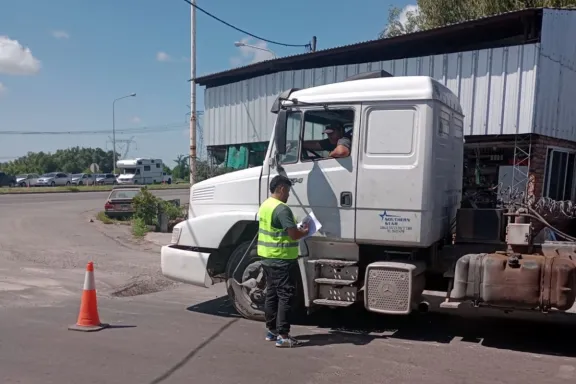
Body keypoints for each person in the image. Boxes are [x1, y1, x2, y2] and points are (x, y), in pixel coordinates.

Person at [258, 175, 309, 348]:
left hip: (267, 257)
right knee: (286, 296)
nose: (288, 195)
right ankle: (283, 336)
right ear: (281, 188)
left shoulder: (265, 205)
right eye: (287, 191)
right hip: (282, 259)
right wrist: (305, 231)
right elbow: (293, 235)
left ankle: (271, 331)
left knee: (271, 295)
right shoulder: (282, 209)